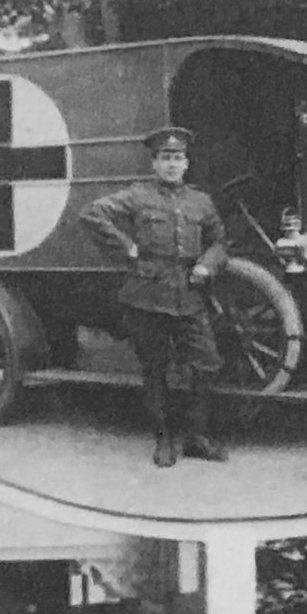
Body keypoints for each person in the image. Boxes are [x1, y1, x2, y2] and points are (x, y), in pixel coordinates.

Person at [78, 127, 230, 468]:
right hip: (148, 295)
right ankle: (163, 439)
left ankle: (194, 436)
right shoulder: (138, 196)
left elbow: (221, 242)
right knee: (155, 369)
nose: (172, 164)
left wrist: (207, 264)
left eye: (178, 158)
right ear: (155, 164)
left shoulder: (201, 201)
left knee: (207, 364)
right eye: (165, 158)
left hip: (189, 295)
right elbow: (91, 214)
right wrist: (127, 247)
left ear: (187, 163)